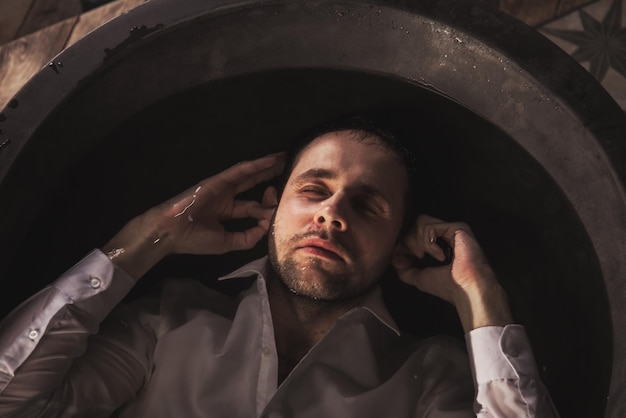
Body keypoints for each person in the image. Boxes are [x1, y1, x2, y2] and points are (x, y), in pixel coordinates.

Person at [0, 116, 559, 417]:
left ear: (398, 245)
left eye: (366, 205)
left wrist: (479, 295)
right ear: (273, 211)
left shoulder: (431, 379)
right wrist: (149, 237)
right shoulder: (168, 323)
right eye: (314, 190)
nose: (331, 214)